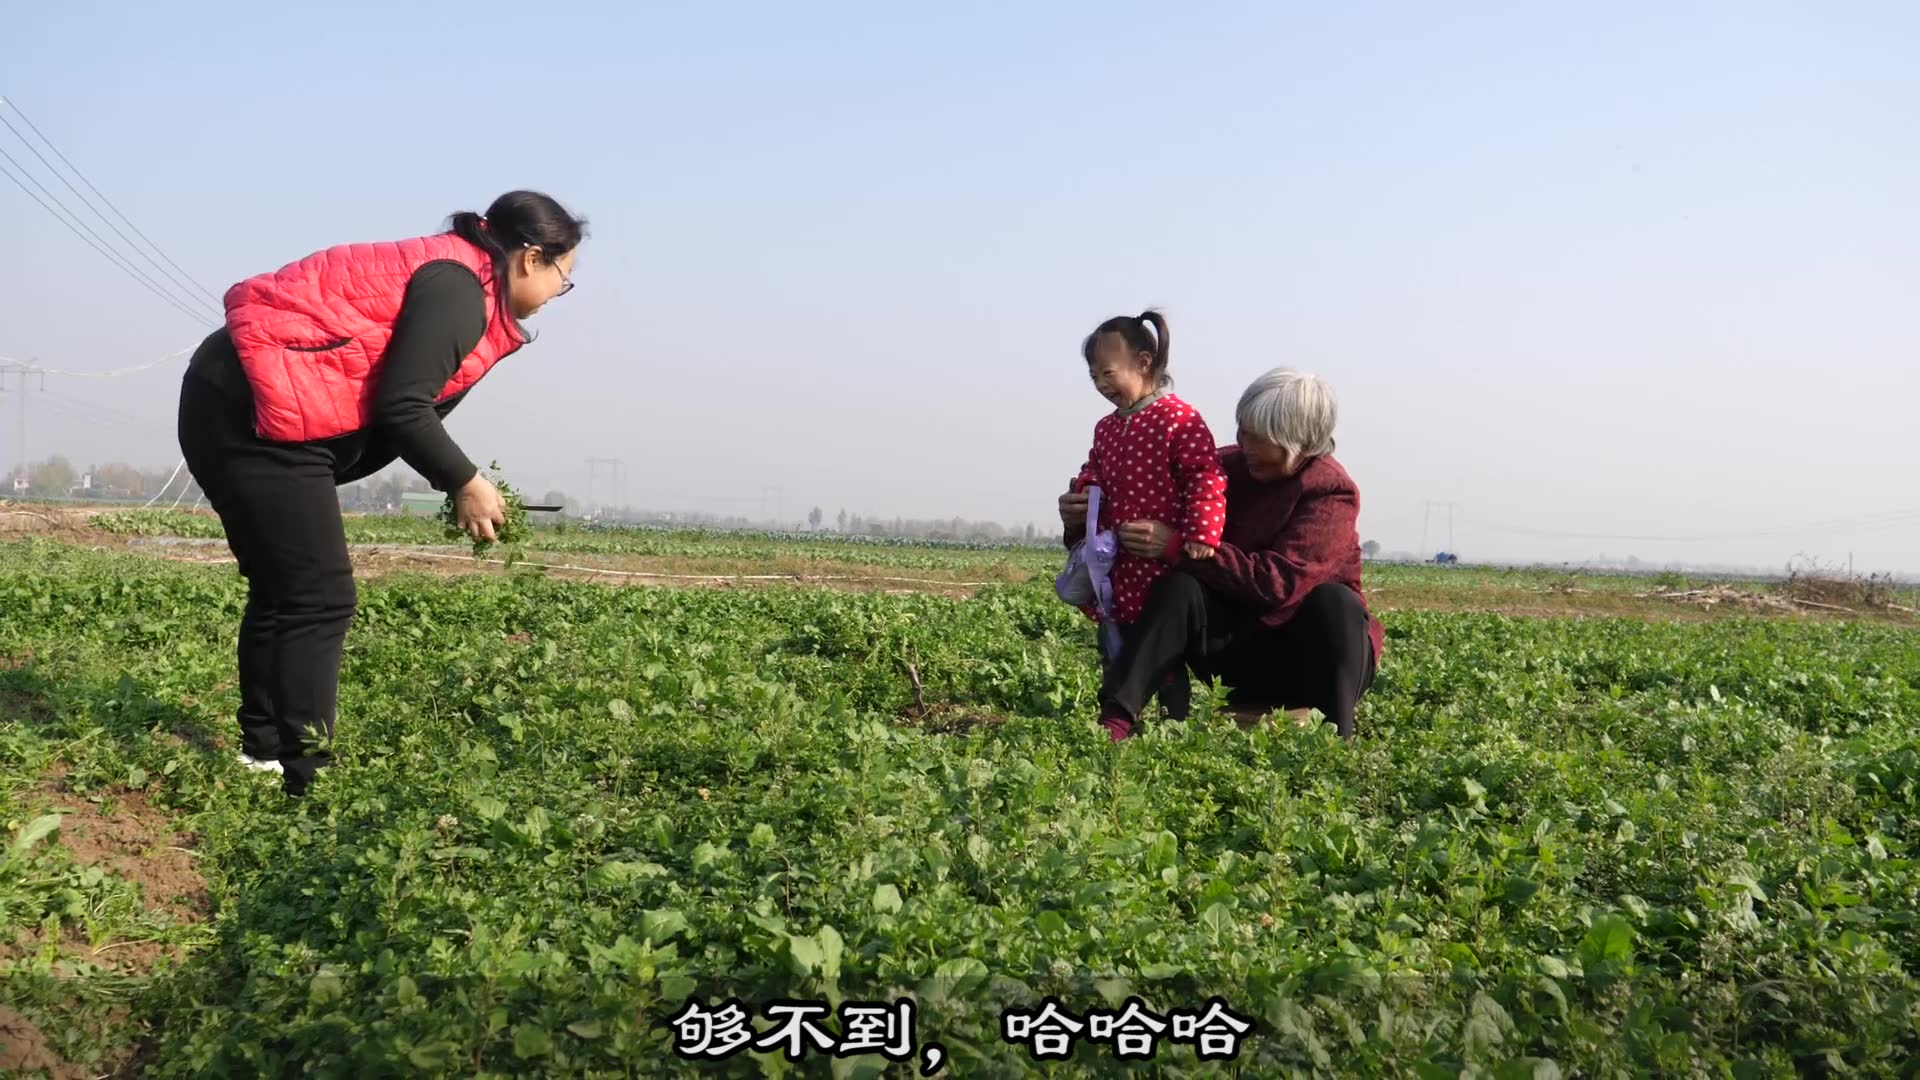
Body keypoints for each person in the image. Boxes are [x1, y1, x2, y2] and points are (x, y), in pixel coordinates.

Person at [176, 190, 586, 795]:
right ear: (530, 258)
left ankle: (264, 753)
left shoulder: (459, 276)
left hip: (242, 404)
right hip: (252, 415)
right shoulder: (458, 290)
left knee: (287, 591)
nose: (558, 292)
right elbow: (403, 408)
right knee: (320, 597)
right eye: (563, 276)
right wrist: (466, 481)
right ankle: (307, 777)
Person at [1059, 367, 1383, 741]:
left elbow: (1277, 583)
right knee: (1179, 587)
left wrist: (1176, 546)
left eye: (1259, 439)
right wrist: (1084, 516)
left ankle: (1335, 737)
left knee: (1336, 603)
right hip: (1240, 657)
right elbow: (1138, 511)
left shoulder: (1330, 492)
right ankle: (1115, 720)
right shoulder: (1222, 469)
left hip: (1311, 663)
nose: (1245, 445)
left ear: (1301, 446)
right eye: (1242, 430)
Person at [1061, 311, 1227, 690]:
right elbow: (1095, 470)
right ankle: (1116, 718)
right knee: (1114, 641)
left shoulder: (1178, 419)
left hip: (1161, 564)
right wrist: (1082, 493)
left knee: (1161, 650)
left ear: (1143, 362)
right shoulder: (1106, 427)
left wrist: (1201, 533)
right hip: (1119, 561)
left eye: (1108, 373)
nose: (1101, 384)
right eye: (1094, 377)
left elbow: (1205, 475)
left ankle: (1171, 729)